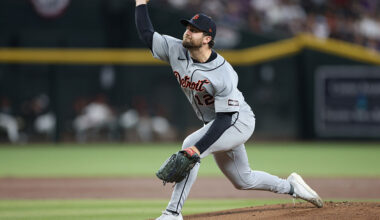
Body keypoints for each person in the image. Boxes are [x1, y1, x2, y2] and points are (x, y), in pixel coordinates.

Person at [135, 1, 323, 219]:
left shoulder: (223, 73)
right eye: (187, 28)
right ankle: (292, 186)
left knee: (190, 147)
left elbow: (225, 119)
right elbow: (147, 34)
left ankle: (172, 213)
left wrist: (196, 151)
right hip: (215, 124)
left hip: (237, 121)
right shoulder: (175, 48)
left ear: (207, 39)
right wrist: (140, 3)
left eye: (194, 31)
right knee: (244, 180)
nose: (187, 32)